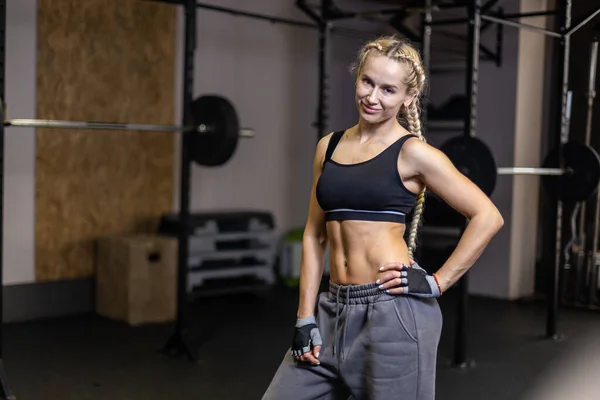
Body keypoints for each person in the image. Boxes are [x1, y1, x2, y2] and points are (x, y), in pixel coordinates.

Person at [262, 35, 504, 400]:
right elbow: (315, 235)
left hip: (392, 314)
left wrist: (438, 283)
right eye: (367, 82)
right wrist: (304, 316)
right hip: (332, 311)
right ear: (357, 76)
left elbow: (487, 215)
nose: (372, 97)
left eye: (388, 90)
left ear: (408, 97)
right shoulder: (328, 146)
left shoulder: (414, 154)